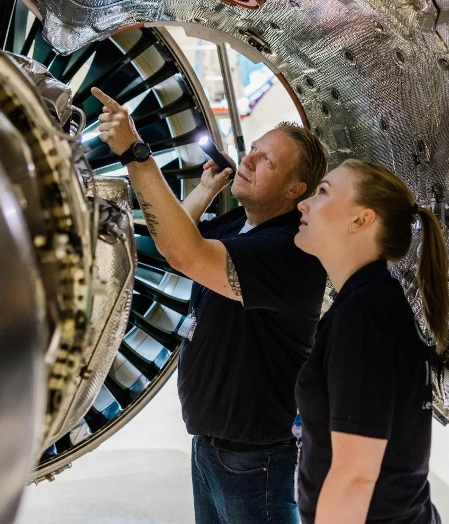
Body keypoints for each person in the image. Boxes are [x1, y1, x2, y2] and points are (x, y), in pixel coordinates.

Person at [91, 87, 328, 524]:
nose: (249, 160)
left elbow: (186, 254)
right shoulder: (244, 222)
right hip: (211, 448)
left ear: (296, 190)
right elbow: (178, 241)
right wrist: (204, 190)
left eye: (266, 161)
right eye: (253, 150)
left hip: (256, 461)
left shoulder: (291, 251)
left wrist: (137, 154)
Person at [293, 159, 449, 524]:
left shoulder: (365, 315)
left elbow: (355, 476)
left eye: (322, 192)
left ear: (361, 220)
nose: (304, 203)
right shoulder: (367, 302)